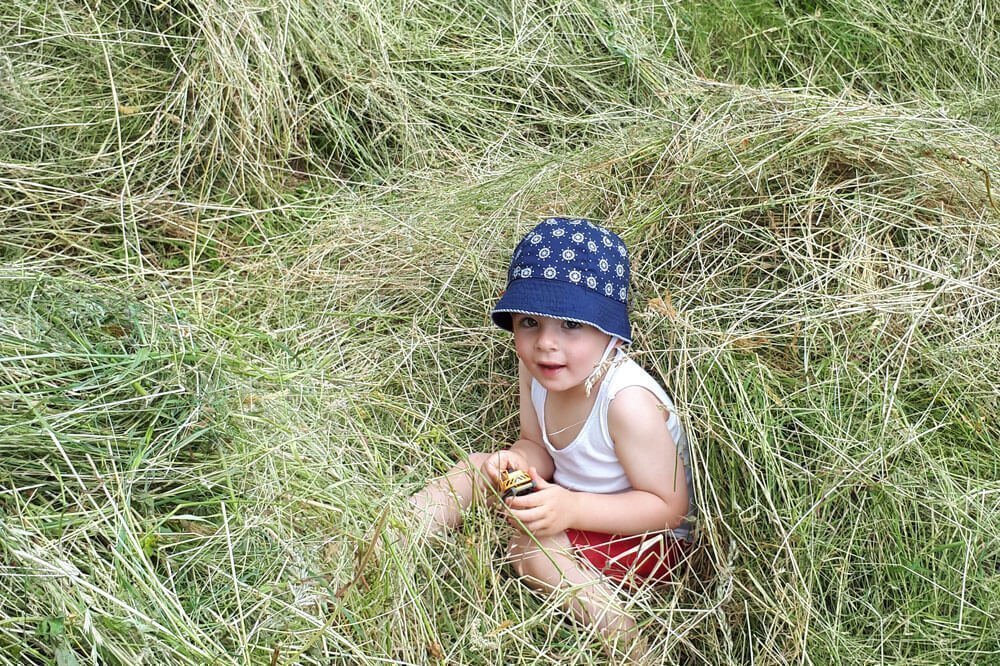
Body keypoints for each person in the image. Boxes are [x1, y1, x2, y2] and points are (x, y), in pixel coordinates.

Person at [408, 216, 694, 652]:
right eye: (530, 323)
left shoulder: (626, 403)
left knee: (528, 550)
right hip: (571, 500)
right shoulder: (537, 368)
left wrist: (570, 509)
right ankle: (389, 542)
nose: (546, 343)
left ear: (611, 334)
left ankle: (626, 636)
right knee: (476, 468)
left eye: (571, 325)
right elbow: (535, 445)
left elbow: (669, 508)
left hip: (641, 538)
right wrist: (519, 462)